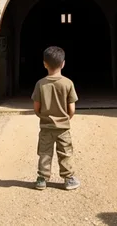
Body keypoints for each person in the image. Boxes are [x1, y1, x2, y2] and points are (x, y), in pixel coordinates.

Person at [31, 45, 80, 191]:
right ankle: (68, 179)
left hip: (46, 127)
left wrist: (44, 117)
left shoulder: (40, 84)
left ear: (44, 63)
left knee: (45, 153)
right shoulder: (68, 83)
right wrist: (65, 118)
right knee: (65, 152)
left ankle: (42, 179)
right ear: (63, 63)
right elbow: (72, 109)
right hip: (63, 128)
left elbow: (36, 108)